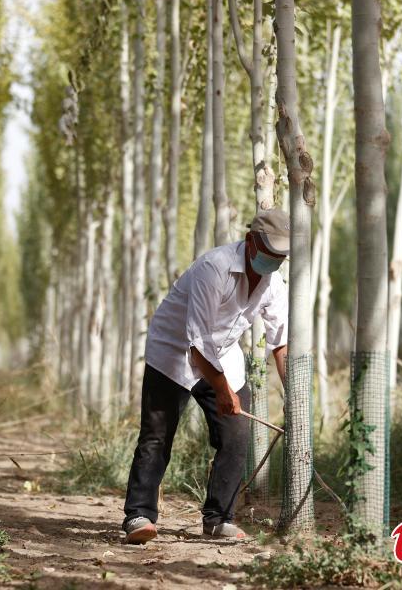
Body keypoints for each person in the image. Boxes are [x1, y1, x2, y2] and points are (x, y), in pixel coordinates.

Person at [121, 209, 290, 544]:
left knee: (236, 435)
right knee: (157, 436)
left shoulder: (274, 284)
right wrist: (224, 392)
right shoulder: (213, 269)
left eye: (280, 257)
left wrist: (294, 397)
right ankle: (138, 515)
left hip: (224, 356)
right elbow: (197, 344)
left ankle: (217, 519)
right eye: (269, 253)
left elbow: (281, 342)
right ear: (250, 242)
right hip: (173, 353)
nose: (274, 261)